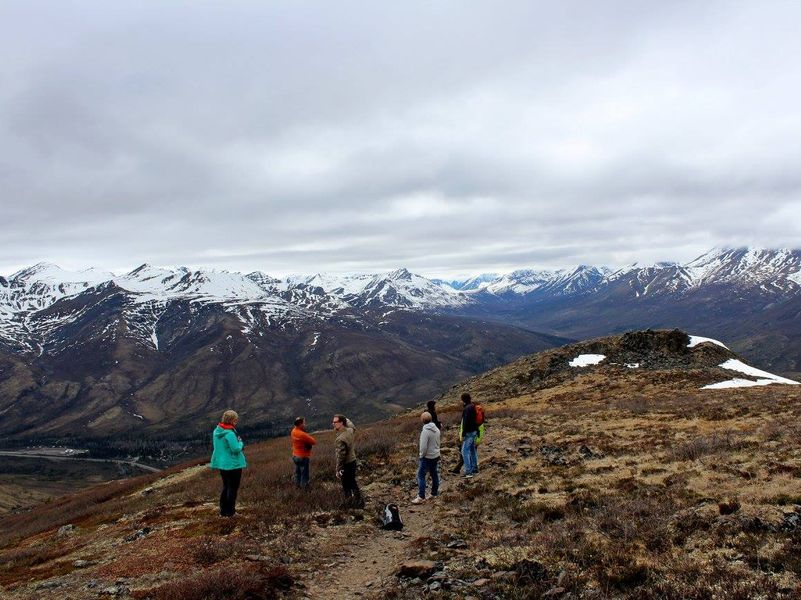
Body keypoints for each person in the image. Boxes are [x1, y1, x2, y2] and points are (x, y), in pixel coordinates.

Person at [210, 409, 247, 517]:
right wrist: (241, 443)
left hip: (222, 464)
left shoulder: (216, 431)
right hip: (233, 464)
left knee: (226, 486)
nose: (236, 422)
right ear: (231, 420)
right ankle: (231, 512)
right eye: (235, 420)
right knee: (233, 488)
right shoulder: (230, 433)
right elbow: (235, 449)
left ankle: (223, 511)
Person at [333, 414, 363, 508]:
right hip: (353, 461)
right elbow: (352, 426)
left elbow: (341, 456)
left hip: (346, 464)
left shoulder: (340, 439)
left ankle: (350, 503)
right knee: (352, 482)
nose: (333, 424)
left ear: (341, 423)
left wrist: (338, 469)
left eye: (335, 422)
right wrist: (345, 418)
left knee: (346, 485)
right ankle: (359, 501)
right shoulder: (349, 431)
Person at [412, 411, 441, 504]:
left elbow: (423, 447)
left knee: (420, 476)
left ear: (422, 420)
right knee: (434, 474)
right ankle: (434, 493)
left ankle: (421, 496)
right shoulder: (436, 429)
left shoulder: (425, 431)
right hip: (436, 455)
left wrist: (421, 455)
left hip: (427, 457)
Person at [291, 417, 317, 488]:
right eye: (304, 423)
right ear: (300, 424)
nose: (305, 424)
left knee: (298, 473)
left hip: (295, 456)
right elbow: (313, 441)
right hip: (303, 457)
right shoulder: (302, 434)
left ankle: (297, 487)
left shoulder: (293, 431)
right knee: (304, 475)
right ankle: (305, 490)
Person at [459, 393, 479, 478]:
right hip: (474, 431)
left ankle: (468, 472)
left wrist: (463, 433)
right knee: (472, 450)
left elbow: (465, 422)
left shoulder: (467, 408)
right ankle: (474, 468)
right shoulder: (473, 406)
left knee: (464, 451)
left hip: (469, 433)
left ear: (463, 399)